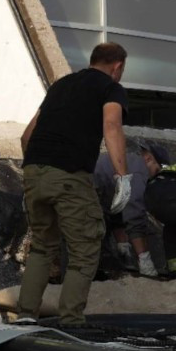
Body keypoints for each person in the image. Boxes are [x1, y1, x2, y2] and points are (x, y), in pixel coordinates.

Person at [16, 42, 132, 326]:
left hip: (34, 169)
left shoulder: (60, 85)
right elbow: (112, 126)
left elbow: (26, 136)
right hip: (69, 175)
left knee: (43, 247)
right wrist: (122, 175)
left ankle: (25, 316)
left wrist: (35, 173)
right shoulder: (110, 88)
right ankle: (71, 322)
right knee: (85, 248)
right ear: (117, 67)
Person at [96, 140, 158, 277]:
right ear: (148, 158)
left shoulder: (128, 161)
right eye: (157, 170)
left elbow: (116, 210)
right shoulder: (139, 170)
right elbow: (134, 214)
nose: (155, 176)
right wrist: (145, 260)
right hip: (84, 194)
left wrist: (123, 246)